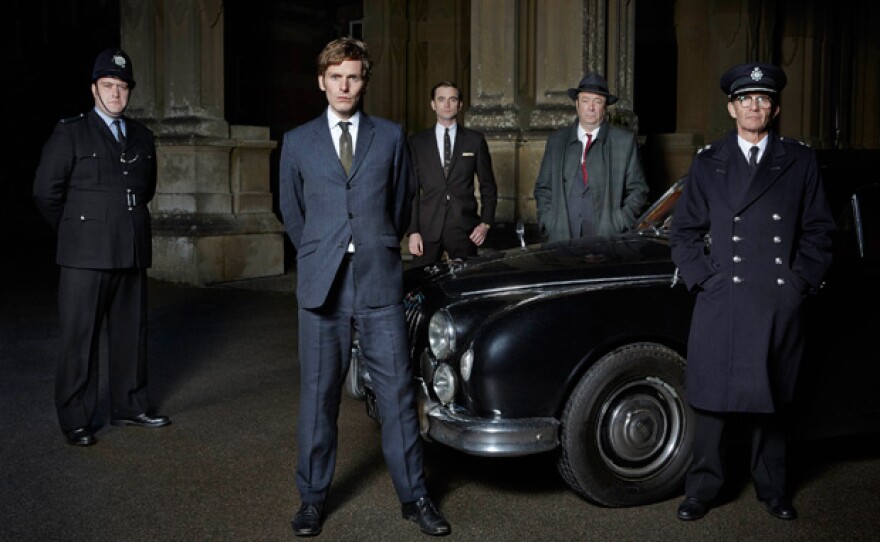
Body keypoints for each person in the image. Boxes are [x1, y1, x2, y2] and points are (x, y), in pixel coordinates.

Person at [278, 37, 450, 537]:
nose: (344, 85)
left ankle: (415, 496)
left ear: (364, 82)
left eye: (353, 76)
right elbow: (293, 213)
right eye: (336, 77)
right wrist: (321, 249)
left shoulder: (390, 137)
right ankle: (311, 499)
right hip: (322, 284)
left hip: (377, 278)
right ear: (322, 81)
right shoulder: (298, 142)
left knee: (397, 393)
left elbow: (398, 206)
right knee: (318, 396)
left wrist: (371, 241)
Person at [669, 63, 835, 521]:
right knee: (712, 401)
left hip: (775, 300)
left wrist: (798, 284)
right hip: (722, 298)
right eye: (746, 99)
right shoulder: (708, 160)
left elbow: (820, 231)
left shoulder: (799, 160)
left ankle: (773, 488)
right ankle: (702, 488)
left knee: (772, 401)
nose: (754, 106)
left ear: (775, 107)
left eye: (763, 99)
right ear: (731, 107)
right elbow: (683, 232)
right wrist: (703, 277)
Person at [32, 47, 171, 447]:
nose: (115, 94)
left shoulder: (142, 136)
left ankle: (129, 405)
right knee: (80, 337)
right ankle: (75, 418)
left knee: (131, 333)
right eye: (108, 86)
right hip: (84, 255)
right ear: (94, 89)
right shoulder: (71, 132)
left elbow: (145, 189)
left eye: (122, 87)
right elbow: (45, 193)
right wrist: (78, 231)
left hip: (129, 250)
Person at [533, 72, 649, 242]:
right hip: (562, 237)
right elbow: (543, 188)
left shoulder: (624, 142)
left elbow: (639, 190)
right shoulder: (557, 141)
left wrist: (619, 222)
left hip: (607, 239)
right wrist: (550, 222)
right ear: (577, 104)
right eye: (586, 101)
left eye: (598, 101)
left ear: (605, 106)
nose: (591, 107)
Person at [407, 81, 497, 266]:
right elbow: (411, 191)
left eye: (452, 99)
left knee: (465, 285)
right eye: (441, 99)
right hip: (427, 228)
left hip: (464, 228)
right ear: (433, 104)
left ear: (460, 104)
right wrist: (413, 231)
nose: (447, 104)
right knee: (421, 287)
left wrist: (485, 224)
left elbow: (488, 186)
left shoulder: (475, 140)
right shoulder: (417, 142)